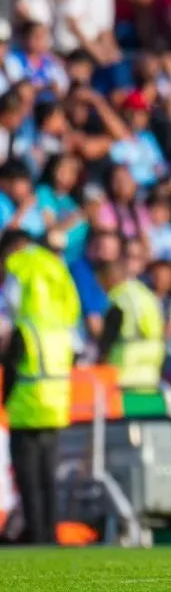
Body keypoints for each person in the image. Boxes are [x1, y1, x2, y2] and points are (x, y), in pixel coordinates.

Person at [0, 231, 78, 544]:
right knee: (49, 477)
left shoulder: (24, 331)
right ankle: (49, 533)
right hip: (55, 408)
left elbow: (11, 371)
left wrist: (5, 401)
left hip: (25, 410)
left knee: (29, 478)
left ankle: (36, 534)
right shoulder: (58, 330)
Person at [96, 257, 166, 391]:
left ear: (109, 277)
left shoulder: (118, 298)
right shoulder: (145, 293)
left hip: (126, 367)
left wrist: (101, 358)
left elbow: (109, 336)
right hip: (151, 366)